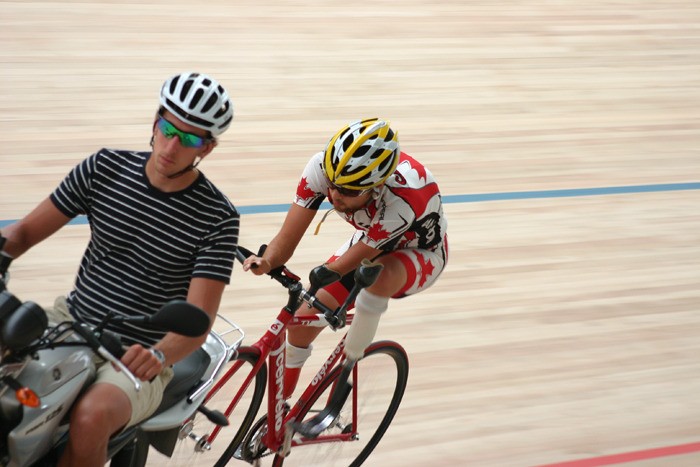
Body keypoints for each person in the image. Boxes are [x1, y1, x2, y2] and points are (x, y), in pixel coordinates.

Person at [0, 71, 238, 466]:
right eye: (167, 128)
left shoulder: (218, 216)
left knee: (91, 418)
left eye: (190, 138)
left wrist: (160, 355)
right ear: (155, 121)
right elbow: (23, 233)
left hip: (137, 352)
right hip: (70, 320)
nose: (171, 145)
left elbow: (198, 319)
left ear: (207, 148)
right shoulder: (104, 168)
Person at [243, 117, 448, 399]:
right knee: (300, 326)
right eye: (333, 185)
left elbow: (347, 264)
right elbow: (286, 240)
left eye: (348, 191)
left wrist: (322, 275)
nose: (335, 195)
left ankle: (347, 372)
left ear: (376, 187)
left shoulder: (401, 202)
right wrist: (266, 261)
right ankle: (280, 414)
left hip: (419, 252)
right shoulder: (319, 168)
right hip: (372, 237)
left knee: (379, 277)